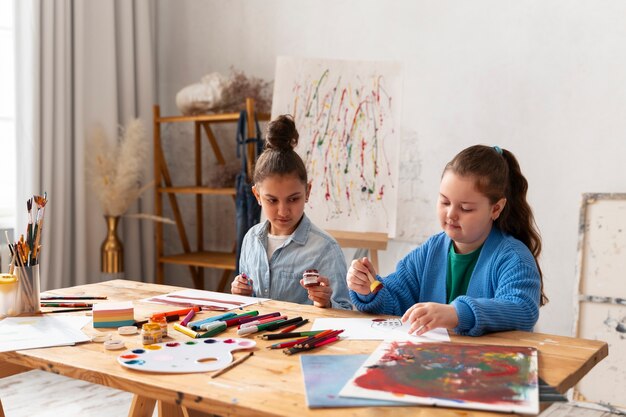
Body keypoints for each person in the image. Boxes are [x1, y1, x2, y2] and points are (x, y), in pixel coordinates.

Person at [347, 145, 548, 336]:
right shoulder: (429, 252)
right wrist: (369, 289)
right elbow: (395, 302)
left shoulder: (514, 258)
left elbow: (522, 310)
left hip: (491, 367)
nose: (451, 214)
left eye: (466, 208)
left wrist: (457, 313)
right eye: (444, 201)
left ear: (496, 209)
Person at [231, 115, 352, 310]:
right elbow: (249, 304)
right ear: (257, 195)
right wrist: (241, 295)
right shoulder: (251, 239)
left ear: (307, 192)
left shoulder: (325, 248)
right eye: (272, 200)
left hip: (301, 340)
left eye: (293, 199)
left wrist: (326, 302)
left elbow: (345, 310)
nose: (283, 211)